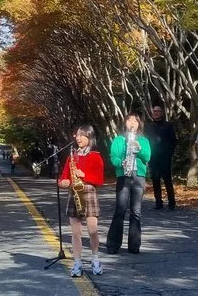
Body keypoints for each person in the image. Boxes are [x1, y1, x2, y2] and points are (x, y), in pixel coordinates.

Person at [58, 125, 104, 277]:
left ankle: (95, 259)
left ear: (89, 137)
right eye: (77, 135)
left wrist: (84, 175)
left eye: (82, 135)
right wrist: (63, 182)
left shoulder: (95, 156)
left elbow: (100, 179)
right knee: (76, 233)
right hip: (74, 193)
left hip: (89, 192)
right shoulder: (72, 156)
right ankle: (77, 262)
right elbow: (64, 176)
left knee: (92, 230)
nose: (78, 138)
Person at [106, 113, 151, 254]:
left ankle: (134, 245)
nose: (132, 123)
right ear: (125, 123)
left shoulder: (143, 140)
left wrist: (139, 148)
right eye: (129, 120)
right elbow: (114, 158)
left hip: (139, 177)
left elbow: (147, 157)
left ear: (139, 124)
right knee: (120, 210)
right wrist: (121, 163)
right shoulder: (119, 140)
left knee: (136, 212)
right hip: (123, 176)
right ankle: (113, 245)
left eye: (135, 121)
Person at [144, 105, 176, 210]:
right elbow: (145, 141)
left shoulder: (168, 125)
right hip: (153, 157)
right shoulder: (148, 126)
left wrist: (169, 153)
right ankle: (158, 202)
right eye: (154, 111)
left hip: (165, 157)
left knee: (167, 179)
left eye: (158, 111)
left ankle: (172, 203)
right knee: (155, 179)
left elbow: (173, 141)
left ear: (162, 113)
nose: (156, 113)